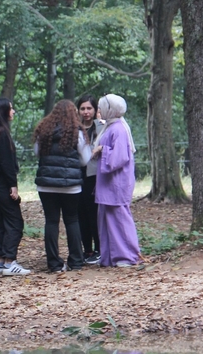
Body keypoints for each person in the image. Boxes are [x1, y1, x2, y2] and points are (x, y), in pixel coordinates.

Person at [33, 99, 92, 272]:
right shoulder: (76, 133)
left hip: (46, 185)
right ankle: (76, 260)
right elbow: (85, 160)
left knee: (51, 221)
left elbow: (37, 153)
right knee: (72, 220)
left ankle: (54, 263)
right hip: (70, 185)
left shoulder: (43, 132)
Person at [0, 97, 31, 275]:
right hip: (1, 183)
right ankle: (10, 262)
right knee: (15, 221)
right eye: (10, 108)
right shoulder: (2, 134)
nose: (13, 111)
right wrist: (13, 185)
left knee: (0, 220)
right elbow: (6, 163)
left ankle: (1, 260)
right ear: (3, 111)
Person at [92, 94, 141, 267]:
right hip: (108, 182)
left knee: (119, 219)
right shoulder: (111, 127)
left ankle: (127, 256)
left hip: (116, 182)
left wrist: (102, 150)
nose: (98, 110)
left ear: (110, 109)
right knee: (107, 220)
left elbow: (120, 157)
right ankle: (110, 257)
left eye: (101, 107)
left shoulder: (118, 129)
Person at [77, 95, 104, 264]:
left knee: (94, 213)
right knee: (81, 213)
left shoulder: (102, 127)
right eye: (83, 108)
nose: (86, 112)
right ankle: (87, 249)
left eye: (89, 108)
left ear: (95, 110)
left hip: (94, 175)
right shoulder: (74, 128)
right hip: (77, 175)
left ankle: (100, 248)